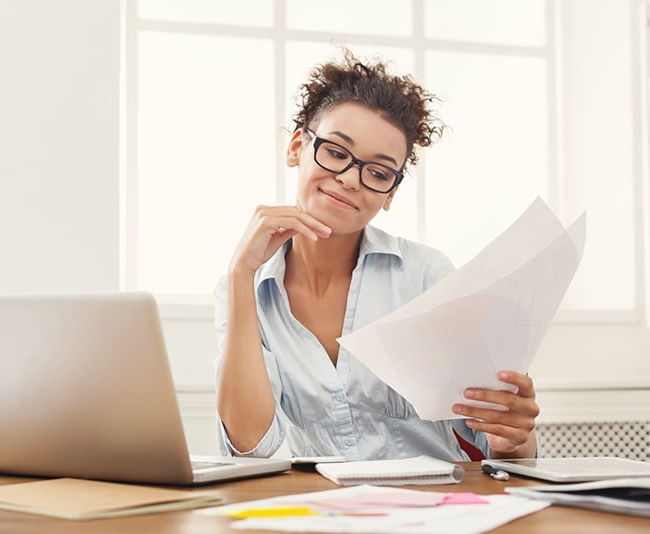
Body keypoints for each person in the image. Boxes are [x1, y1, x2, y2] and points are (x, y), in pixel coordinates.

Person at [214, 49, 539, 462]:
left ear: (391, 193)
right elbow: (249, 445)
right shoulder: (243, 289)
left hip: (435, 511)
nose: (350, 179)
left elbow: (495, 447)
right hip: (325, 514)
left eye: (379, 172)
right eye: (335, 152)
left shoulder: (426, 276)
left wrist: (513, 438)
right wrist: (242, 273)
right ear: (298, 146)